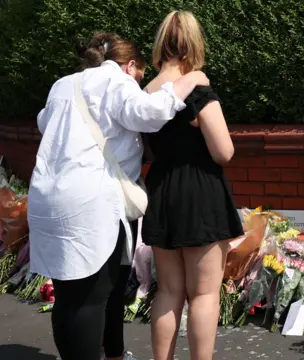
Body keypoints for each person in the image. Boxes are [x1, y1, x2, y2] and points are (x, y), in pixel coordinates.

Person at [27, 31, 211, 360]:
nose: (141, 82)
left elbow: (45, 123)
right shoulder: (117, 82)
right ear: (129, 66)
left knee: (70, 294)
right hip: (92, 203)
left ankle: (113, 353)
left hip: (50, 197)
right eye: (141, 75)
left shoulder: (63, 85)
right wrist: (192, 78)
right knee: (92, 297)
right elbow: (150, 114)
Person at [141, 11, 243, 360]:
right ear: (193, 44)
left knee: (168, 291)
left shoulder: (146, 91)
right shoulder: (198, 90)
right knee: (203, 294)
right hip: (199, 192)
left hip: (161, 190)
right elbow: (224, 151)